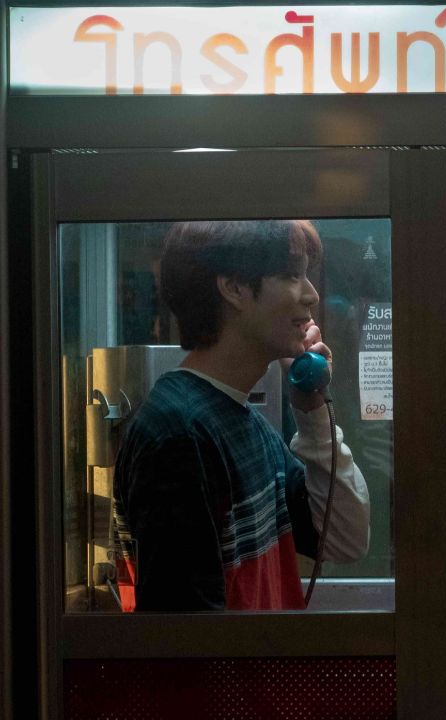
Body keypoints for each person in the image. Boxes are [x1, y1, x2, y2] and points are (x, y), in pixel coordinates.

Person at [113, 220, 371, 611]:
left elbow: (344, 539)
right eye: (292, 275)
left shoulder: (243, 419)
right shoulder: (178, 435)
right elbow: (187, 636)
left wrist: (312, 410)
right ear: (234, 287)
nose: (312, 295)